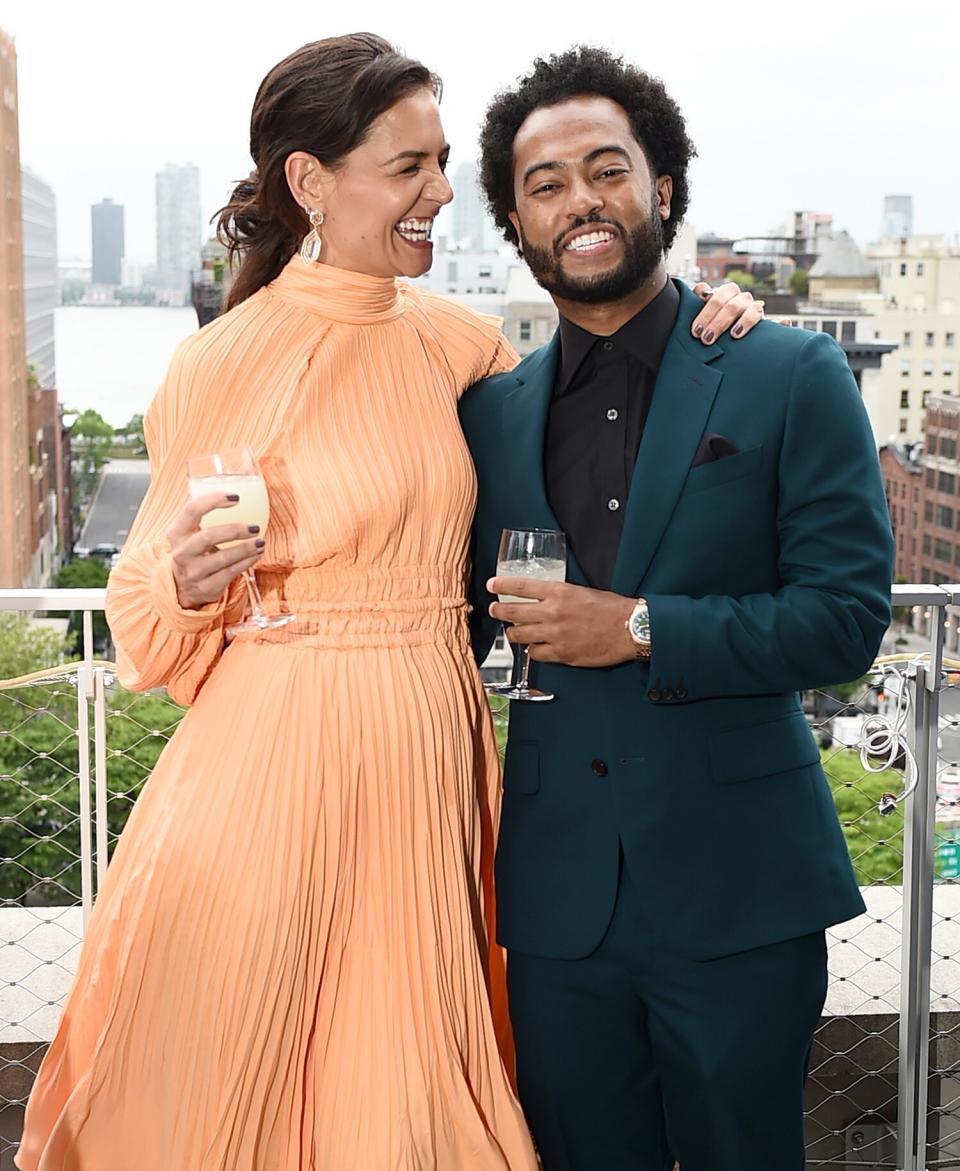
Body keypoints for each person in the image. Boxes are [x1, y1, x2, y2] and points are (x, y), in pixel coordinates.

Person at [16, 35, 760, 1171]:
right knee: (248, 1083)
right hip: (268, 768)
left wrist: (726, 316)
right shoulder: (219, 360)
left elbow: (611, 390)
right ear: (313, 182)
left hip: (425, 749)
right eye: (409, 167)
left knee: (408, 1093)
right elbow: (144, 611)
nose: (444, 191)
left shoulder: (459, 345)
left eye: (445, 161)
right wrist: (179, 576)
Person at [460, 46, 895, 1171]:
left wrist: (642, 626)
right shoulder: (488, 415)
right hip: (558, 908)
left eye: (607, 169)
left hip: (741, 889)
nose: (580, 200)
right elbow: (447, 614)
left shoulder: (788, 372)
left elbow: (846, 620)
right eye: (545, 184)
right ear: (515, 220)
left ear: (662, 186)